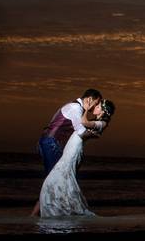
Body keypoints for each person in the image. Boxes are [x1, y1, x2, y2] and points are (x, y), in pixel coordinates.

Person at [29, 89, 103, 217]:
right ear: (89, 99)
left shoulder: (73, 106)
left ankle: (37, 214)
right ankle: (36, 215)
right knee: (53, 182)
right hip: (51, 144)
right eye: (96, 103)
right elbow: (80, 131)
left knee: (52, 181)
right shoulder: (75, 108)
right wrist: (95, 133)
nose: (95, 107)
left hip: (49, 143)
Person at [39, 99, 116, 218]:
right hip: (72, 147)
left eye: (98, 106)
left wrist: (85, 110)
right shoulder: (98, 121)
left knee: (57, 178)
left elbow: (83, 122)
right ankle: (60, 207)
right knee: (59, 178)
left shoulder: (102, 123)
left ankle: (63, 208)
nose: (94, 107)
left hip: (75, 149)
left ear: (103, 111)